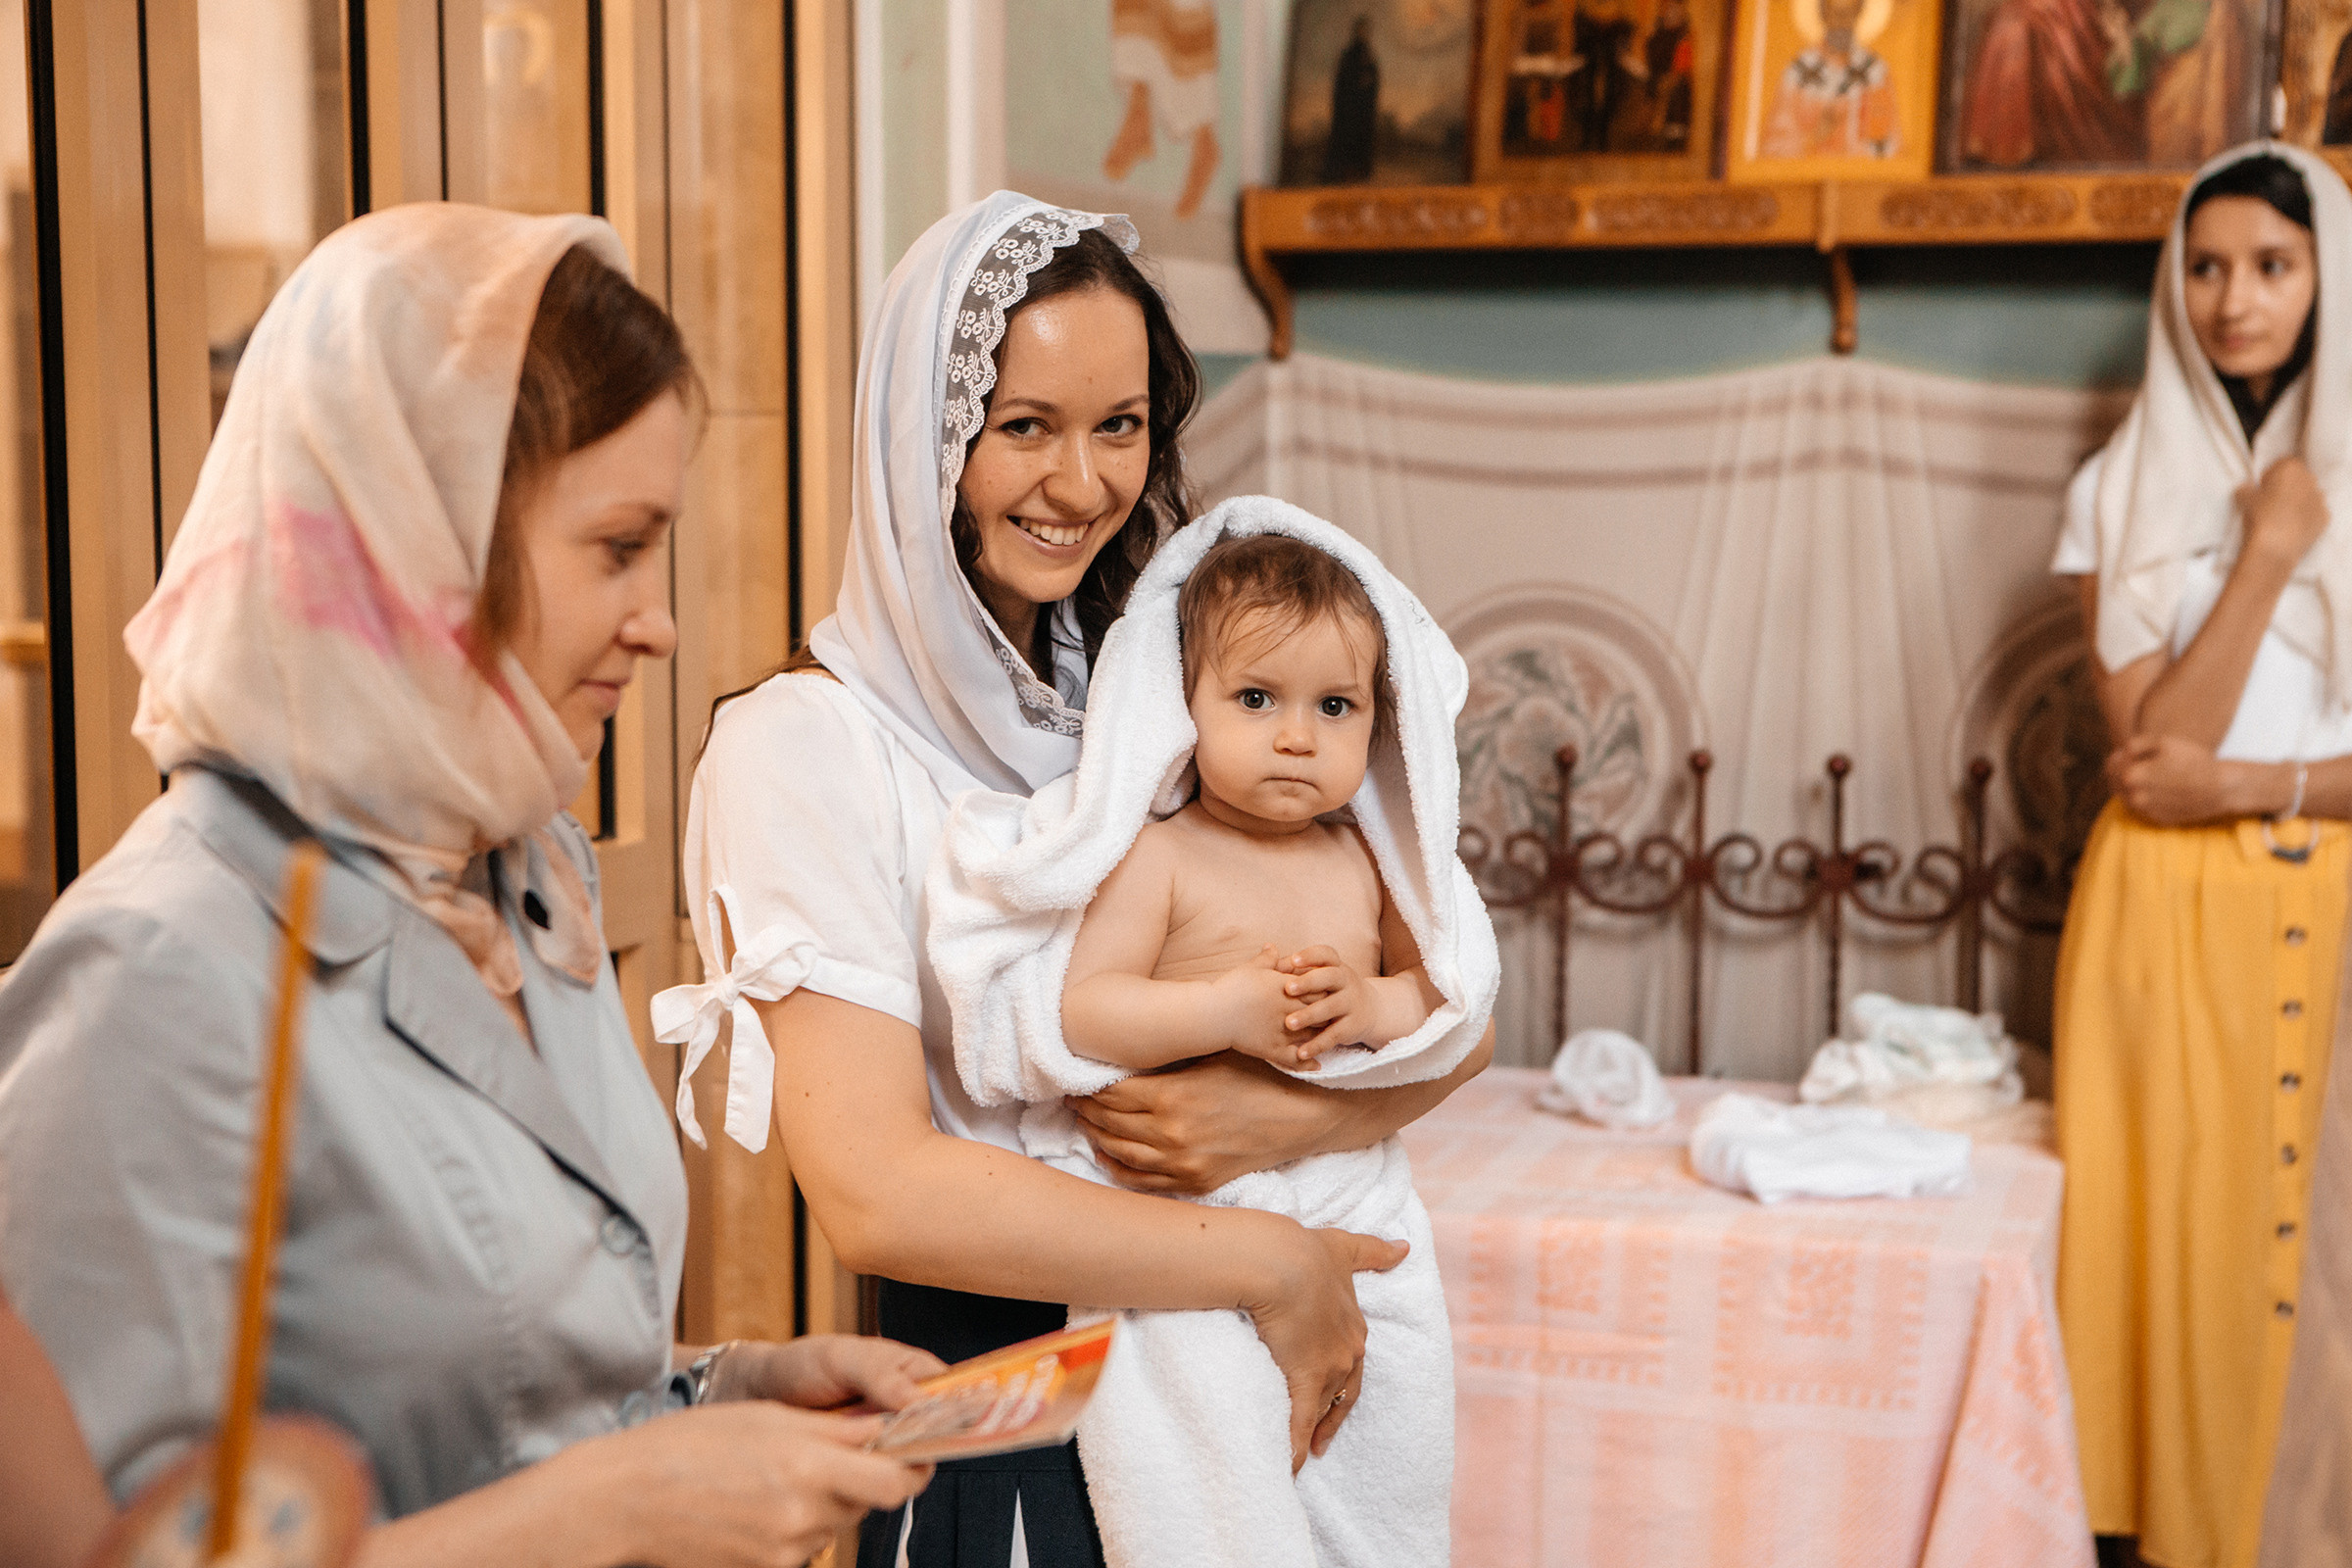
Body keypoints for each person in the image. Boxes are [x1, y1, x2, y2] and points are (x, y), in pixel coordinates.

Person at [0, 204, 937, 1566]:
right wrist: (626, 1507)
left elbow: (476, 1394)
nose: (659, 619)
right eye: (617, 549)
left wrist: (719, 1396)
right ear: (415, 552)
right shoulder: (155, 973)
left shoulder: (523, 873)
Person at [662, 194, 1490, 1568]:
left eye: (1119, 427)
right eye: (1024, 426)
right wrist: (1266, 1265)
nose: (1083, 484)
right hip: (1014, 1422)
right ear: (919, 438)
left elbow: (1459, 1003)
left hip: (1236, 1382)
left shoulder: (1140, 707)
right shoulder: (804, 746)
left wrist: (1263, 1135)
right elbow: (877, 1190)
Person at [2049, 144, 2352, 1568]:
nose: (2237, 300)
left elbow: (2209, 768)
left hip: (2332, 907)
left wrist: (2253, 780)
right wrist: (2270, 557)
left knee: (2322, 1269)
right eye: (2209, 264)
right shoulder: (2124, 486)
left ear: (2328, 280)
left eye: (2274, 267)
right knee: (2179, 1260)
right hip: (2163, 920)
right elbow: (2154, 755)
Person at [1322, 19, 1380, 182]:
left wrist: (1368, 82)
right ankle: (1343, 171)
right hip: (1348, 108)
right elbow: (1342, 80)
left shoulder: (1369, 55)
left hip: (1363, 108)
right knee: (1346, 139)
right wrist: (1357, 82)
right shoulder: (1348, 55)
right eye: (1361, 30)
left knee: (1361, 140)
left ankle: (1360, 172)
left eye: (1366, 30)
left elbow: (1374, 78)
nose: (1364, 34)